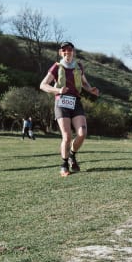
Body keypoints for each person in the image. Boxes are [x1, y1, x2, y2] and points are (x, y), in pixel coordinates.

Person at [40, 42, 99, 176]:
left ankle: (72, 155)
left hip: (76, 102)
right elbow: (42, 85)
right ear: (61, 53)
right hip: (61, 102)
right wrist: (58, 90)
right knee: (67, 136)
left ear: (73, 52)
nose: (67, 52)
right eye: (64, 50)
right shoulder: (56, 67)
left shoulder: (78, 66)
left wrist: (91, 89)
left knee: (82, 133)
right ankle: (64, 164)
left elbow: (84, 83)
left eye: (70, 49)